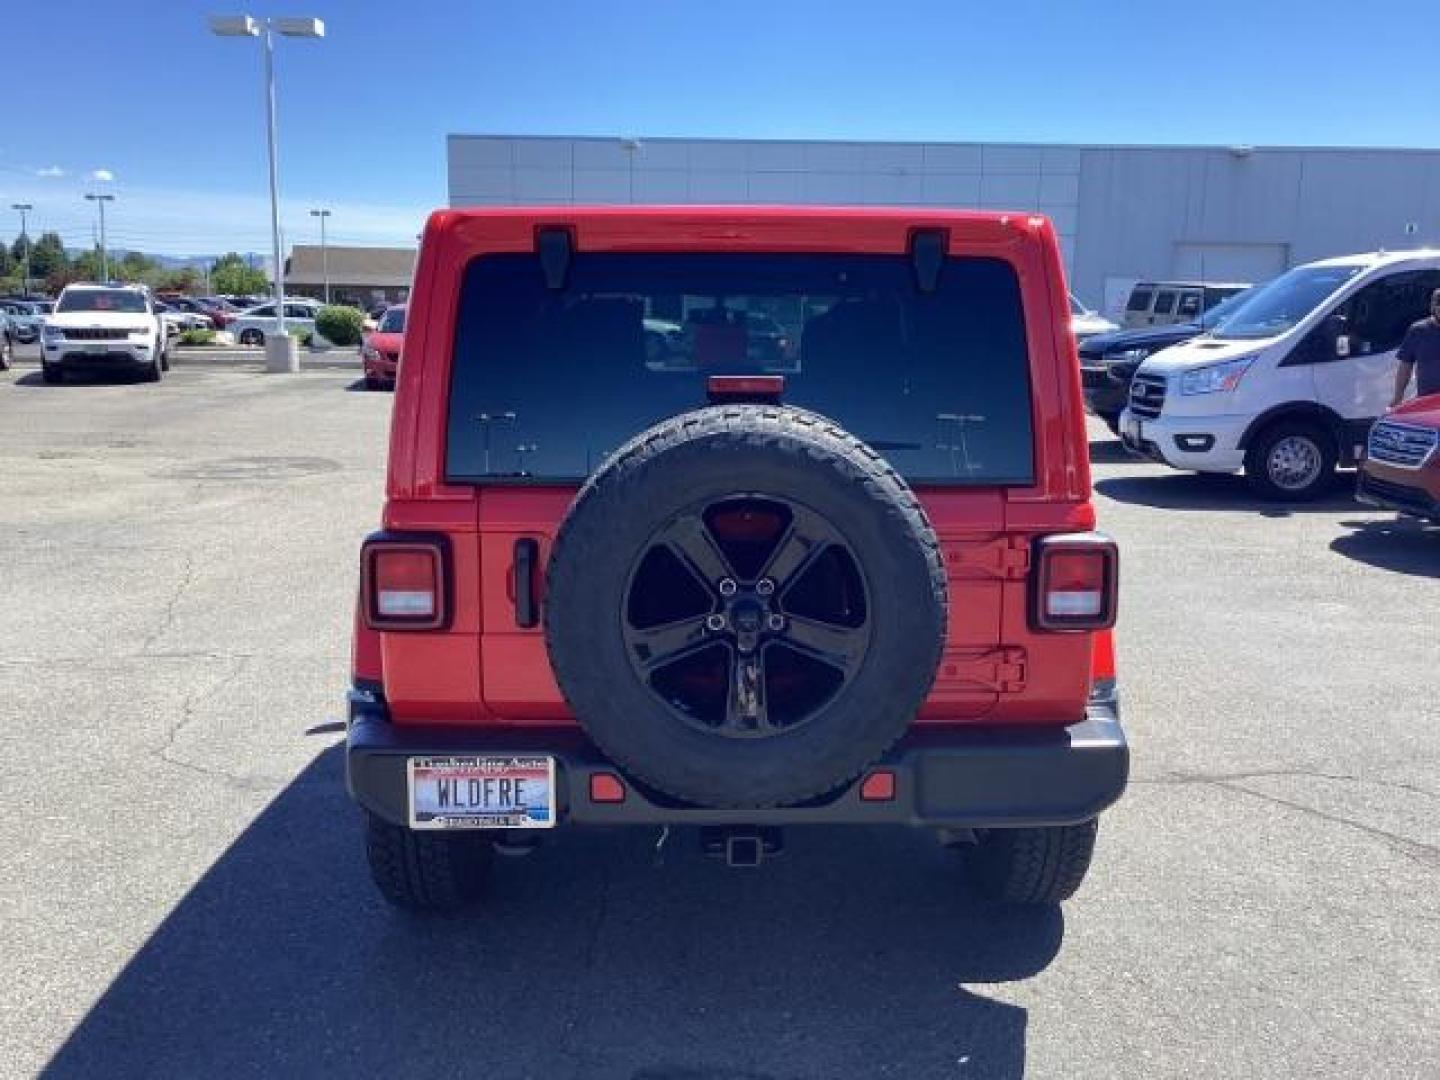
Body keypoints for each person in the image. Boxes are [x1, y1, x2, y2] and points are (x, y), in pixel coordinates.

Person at [1391, 287, 1440, 407]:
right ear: (1432, 306)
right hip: (1426, 403)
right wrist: (1398, 396)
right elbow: (1405, 366)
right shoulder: (1418, 331)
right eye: (1439, 303)